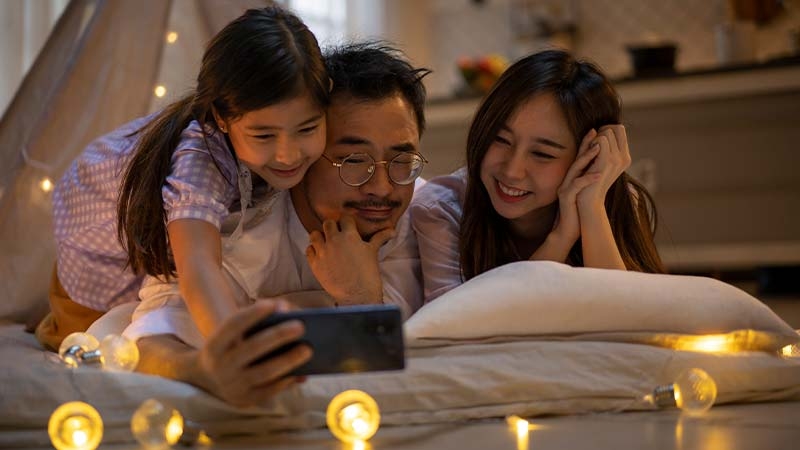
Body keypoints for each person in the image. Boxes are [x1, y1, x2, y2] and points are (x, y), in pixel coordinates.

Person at [116, 42, 431, 406]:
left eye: (401, 159)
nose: (382, 187)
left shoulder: (423, 216)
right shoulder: (232, 224)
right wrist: (203, 370)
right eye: (353, 161)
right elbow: (151, 339)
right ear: (307, 149)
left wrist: (359, 298)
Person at [36, 5, 329, 350]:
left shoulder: (325, 110)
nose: (288, 154)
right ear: (221, 118)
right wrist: (234, 349)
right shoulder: (200, 159)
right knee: (96, 339)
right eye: (264, 136)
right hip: (95, 253)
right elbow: (199, 270)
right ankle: (54, 316)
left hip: (139, 226)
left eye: (307, 128)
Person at [411, 49, 665, 304]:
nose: (512, 170)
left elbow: (623, 315)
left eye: (542, 154)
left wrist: (590, 208)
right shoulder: (442, 208)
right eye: (500, 140)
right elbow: (455, 326)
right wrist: (562, 236)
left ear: (587, 156)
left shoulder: (612, 201)